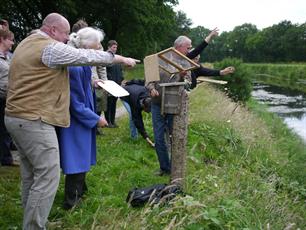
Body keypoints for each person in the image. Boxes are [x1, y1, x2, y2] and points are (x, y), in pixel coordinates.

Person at [4, 12, 138, 229]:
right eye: (66, 34)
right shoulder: (47, 47)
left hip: (16, 117)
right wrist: (120, 59)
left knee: (31, 174)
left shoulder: (26, 42)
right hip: (34, 118)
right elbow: (83, 57)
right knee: (48, 175)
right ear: (53, 30)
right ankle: (34, 226)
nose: (68, 38)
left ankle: (32, 220)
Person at [57, 27, 108, 210]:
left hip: (82, 117)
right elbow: (75, 103)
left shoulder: (83, 64)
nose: (99, 49)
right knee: (76, 157)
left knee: (82, 154)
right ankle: (71, 201)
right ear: (86, 47)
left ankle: (81, 191)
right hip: (75, 120)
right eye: (96, 46)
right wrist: (95, 119)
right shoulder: (76, 67)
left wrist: (94, 82)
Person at [146, 36, 193, 176]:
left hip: (174, 105)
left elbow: (189, 84)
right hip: (157, 104)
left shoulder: (186, 62)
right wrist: (151, 88)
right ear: (179, 46)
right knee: (159, 137)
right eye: (188, 47)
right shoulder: (160, 58)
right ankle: (164, 168)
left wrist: (183, 76)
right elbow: (149, 79)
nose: (189, 50)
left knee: (174, 136)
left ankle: (175, 167)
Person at [121, 79, 154, 147]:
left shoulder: (149, 94)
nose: (147, 112)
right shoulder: (135, 103)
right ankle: (134, 137)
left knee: (134, 116)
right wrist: (146, 137)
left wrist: (129, 82)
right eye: (147, 110)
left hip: (133, 90)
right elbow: (137, 119)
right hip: (124, 94)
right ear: (143, 106)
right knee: (132, 115)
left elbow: (139, 81)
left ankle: (137, 135)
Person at [0, 29, 16, 166]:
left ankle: (6, 157)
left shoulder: (8, 57)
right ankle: (5, 158)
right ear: (2, 39)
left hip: (7, 97)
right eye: (10, 39)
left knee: (5, 128)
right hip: (1, 97)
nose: (12, 43)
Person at [105, 40, 123, 128]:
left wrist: (121, 79)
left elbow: (120, 70)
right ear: (109, 47)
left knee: (114, 103)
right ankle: (108, 122)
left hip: (117, 84)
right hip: (109, 84)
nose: (115, 49)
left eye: (116, 47)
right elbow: (104, 72)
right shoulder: (104, 57)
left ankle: (113, 121)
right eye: (113, 47)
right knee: (108, 103)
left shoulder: (117, 58)